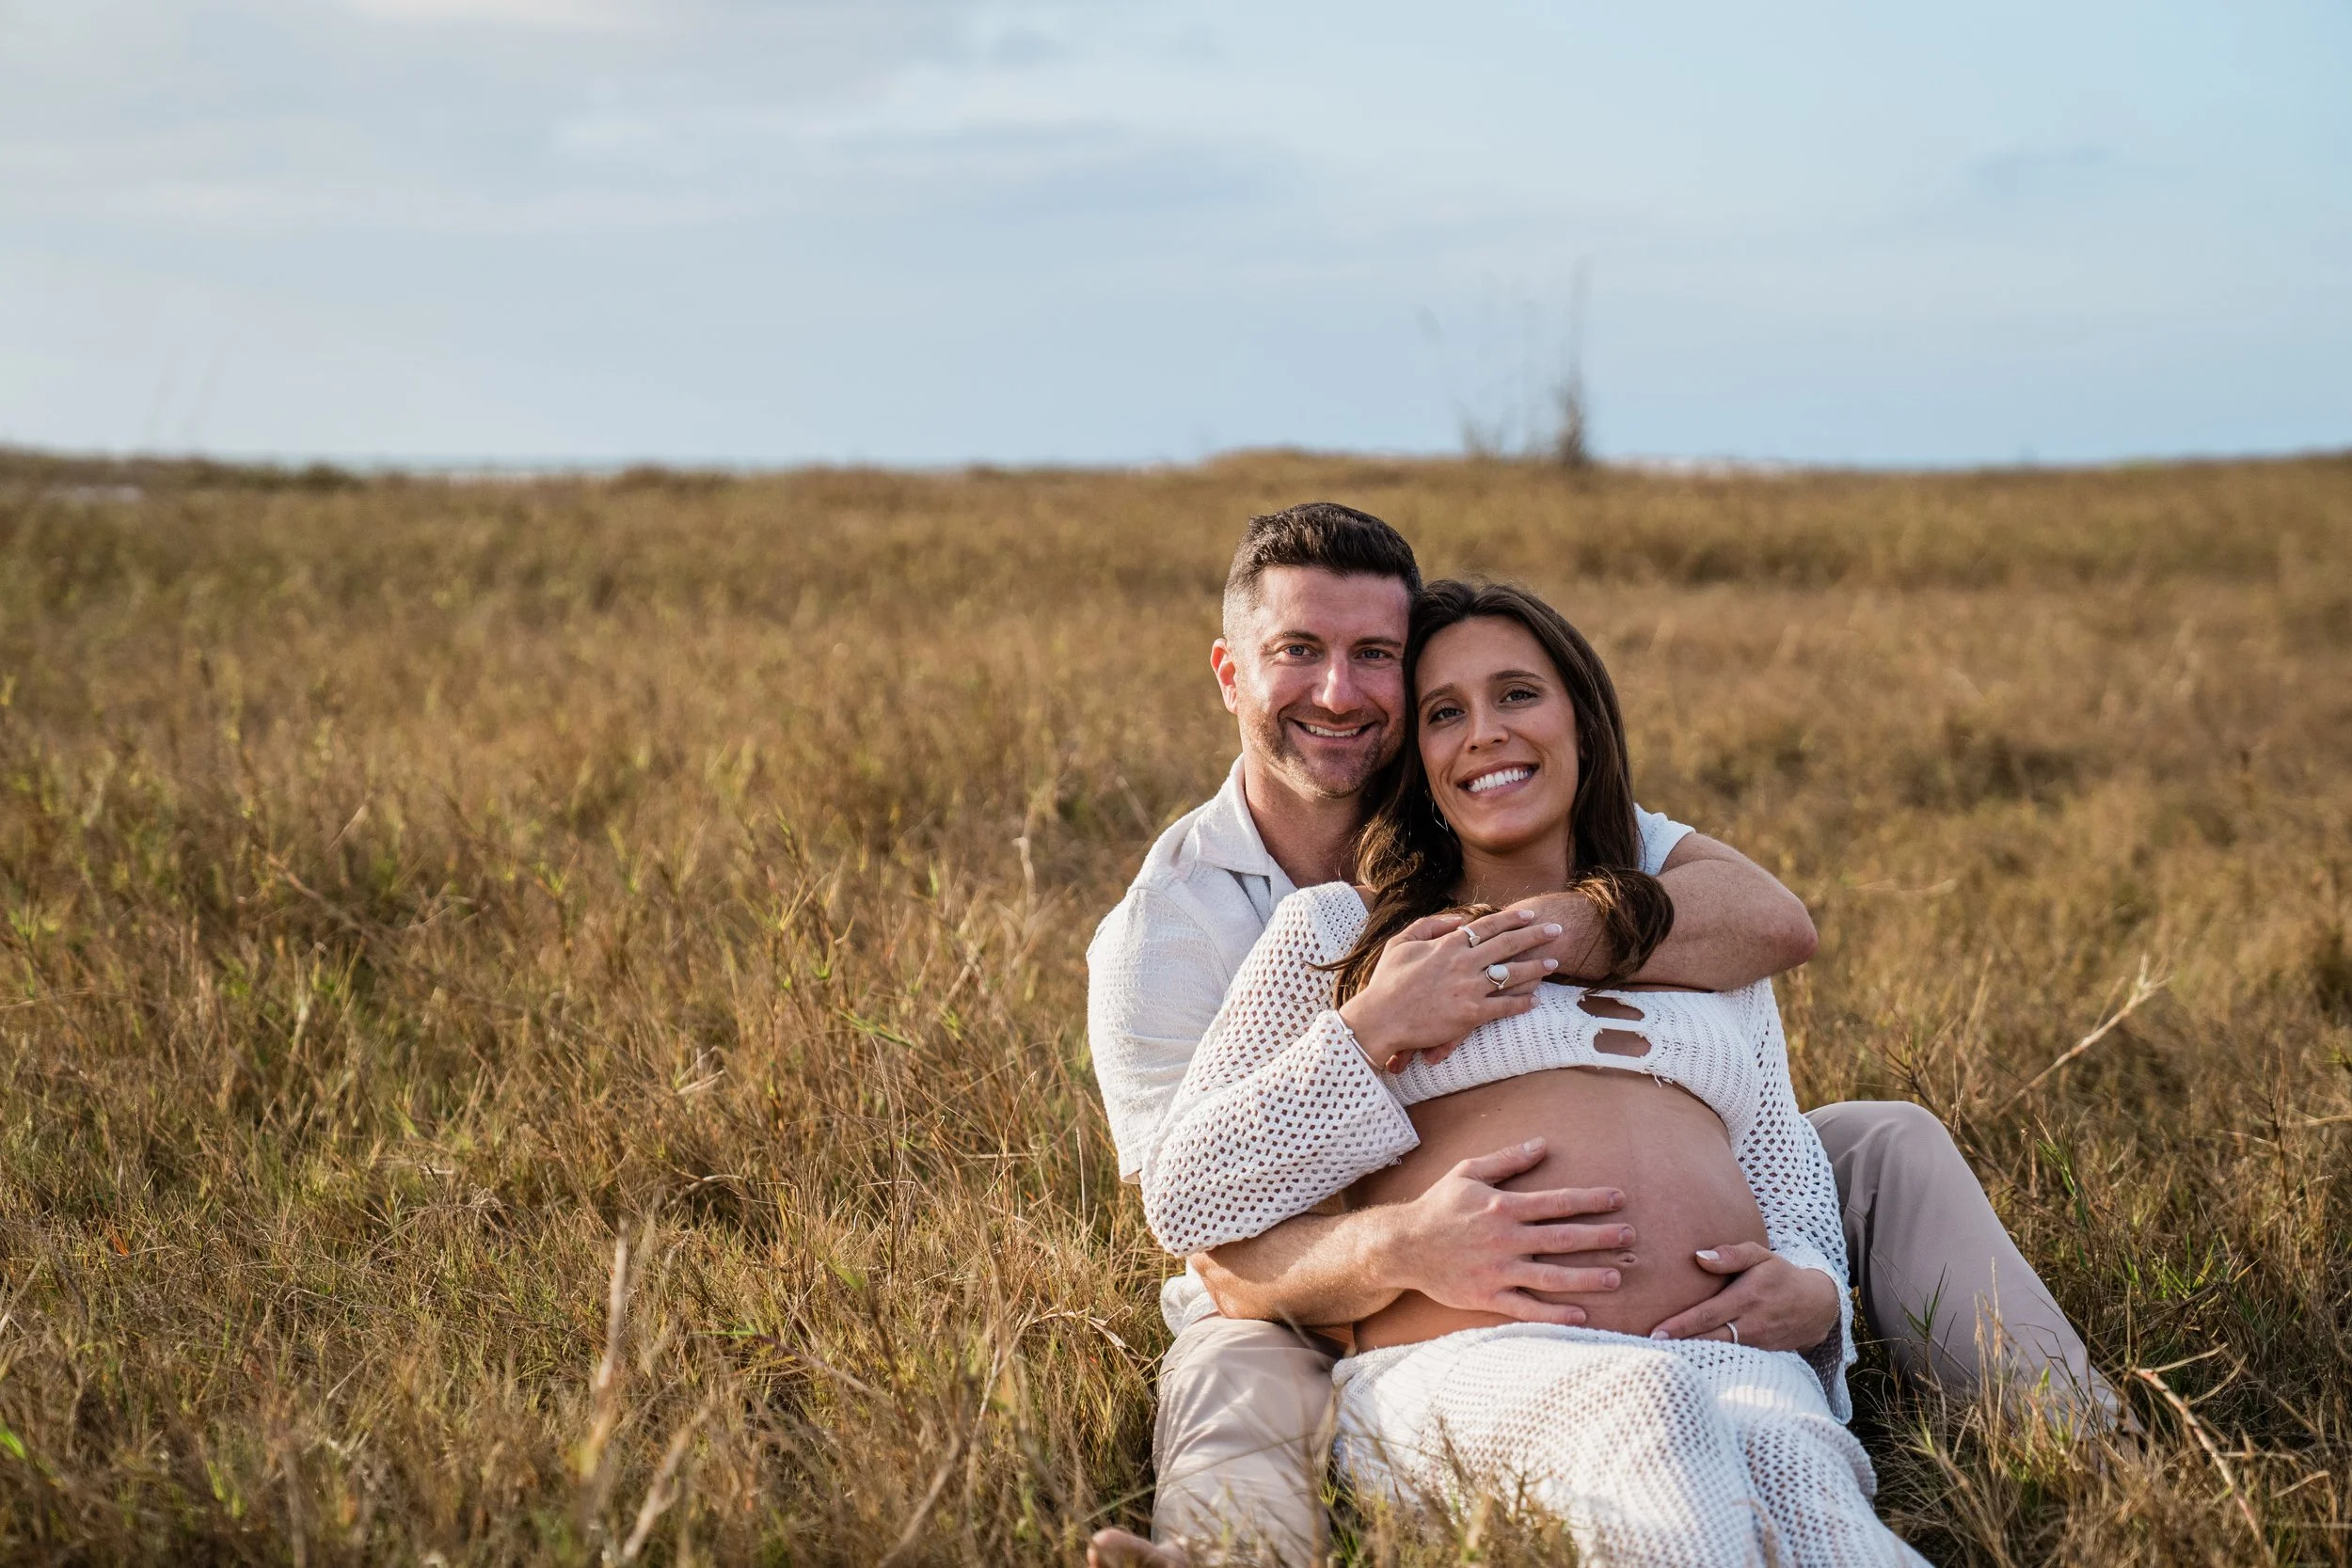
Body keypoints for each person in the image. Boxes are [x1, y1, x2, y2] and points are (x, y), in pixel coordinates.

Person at [1086, 504, 2115, 1567]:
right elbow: (1201, 1218)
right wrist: (1378, 1062)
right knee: (1252, 1365)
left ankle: (2091, 1455)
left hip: (1716, 1356)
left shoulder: (1649, 886)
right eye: (1301, 652)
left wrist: (1811, 1285)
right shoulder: (1223, 928)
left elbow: (1772, 1085)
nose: (1342, 692)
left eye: (1376, 659)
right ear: (1232, 672)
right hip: (1371, 1307)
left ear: (1582, 723)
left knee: (1817, 1496)